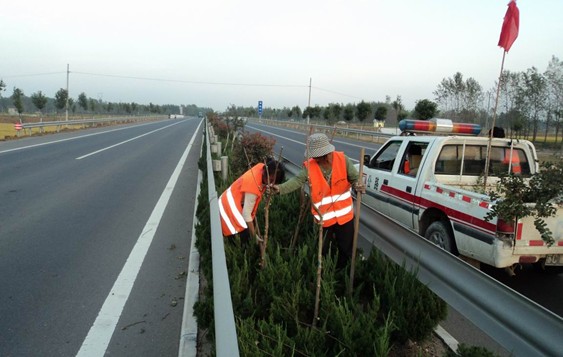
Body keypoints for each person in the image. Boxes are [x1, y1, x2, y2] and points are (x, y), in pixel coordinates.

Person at [271, 133, 365, 268]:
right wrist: (280, 189)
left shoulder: (342, 160)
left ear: (326, 154)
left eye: (316, 156)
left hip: (344, 217)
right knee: (323, 250)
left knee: (346, 250)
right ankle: (326, 273)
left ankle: (343, 273)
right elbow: (297, 180)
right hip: (323, 219)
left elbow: (355, 178)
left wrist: (358, 185)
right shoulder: (310, 166)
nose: (314, 158)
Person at [219, 159, 285, 243]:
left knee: (248, 226)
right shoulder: (253, 187)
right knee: (241, 235)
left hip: (230, 198)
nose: (270, 183)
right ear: (266, 172)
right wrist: (254, 236)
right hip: (228, 207)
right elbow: (246, 214)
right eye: (271, 180)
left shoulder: (261, 167)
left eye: (274, 182)